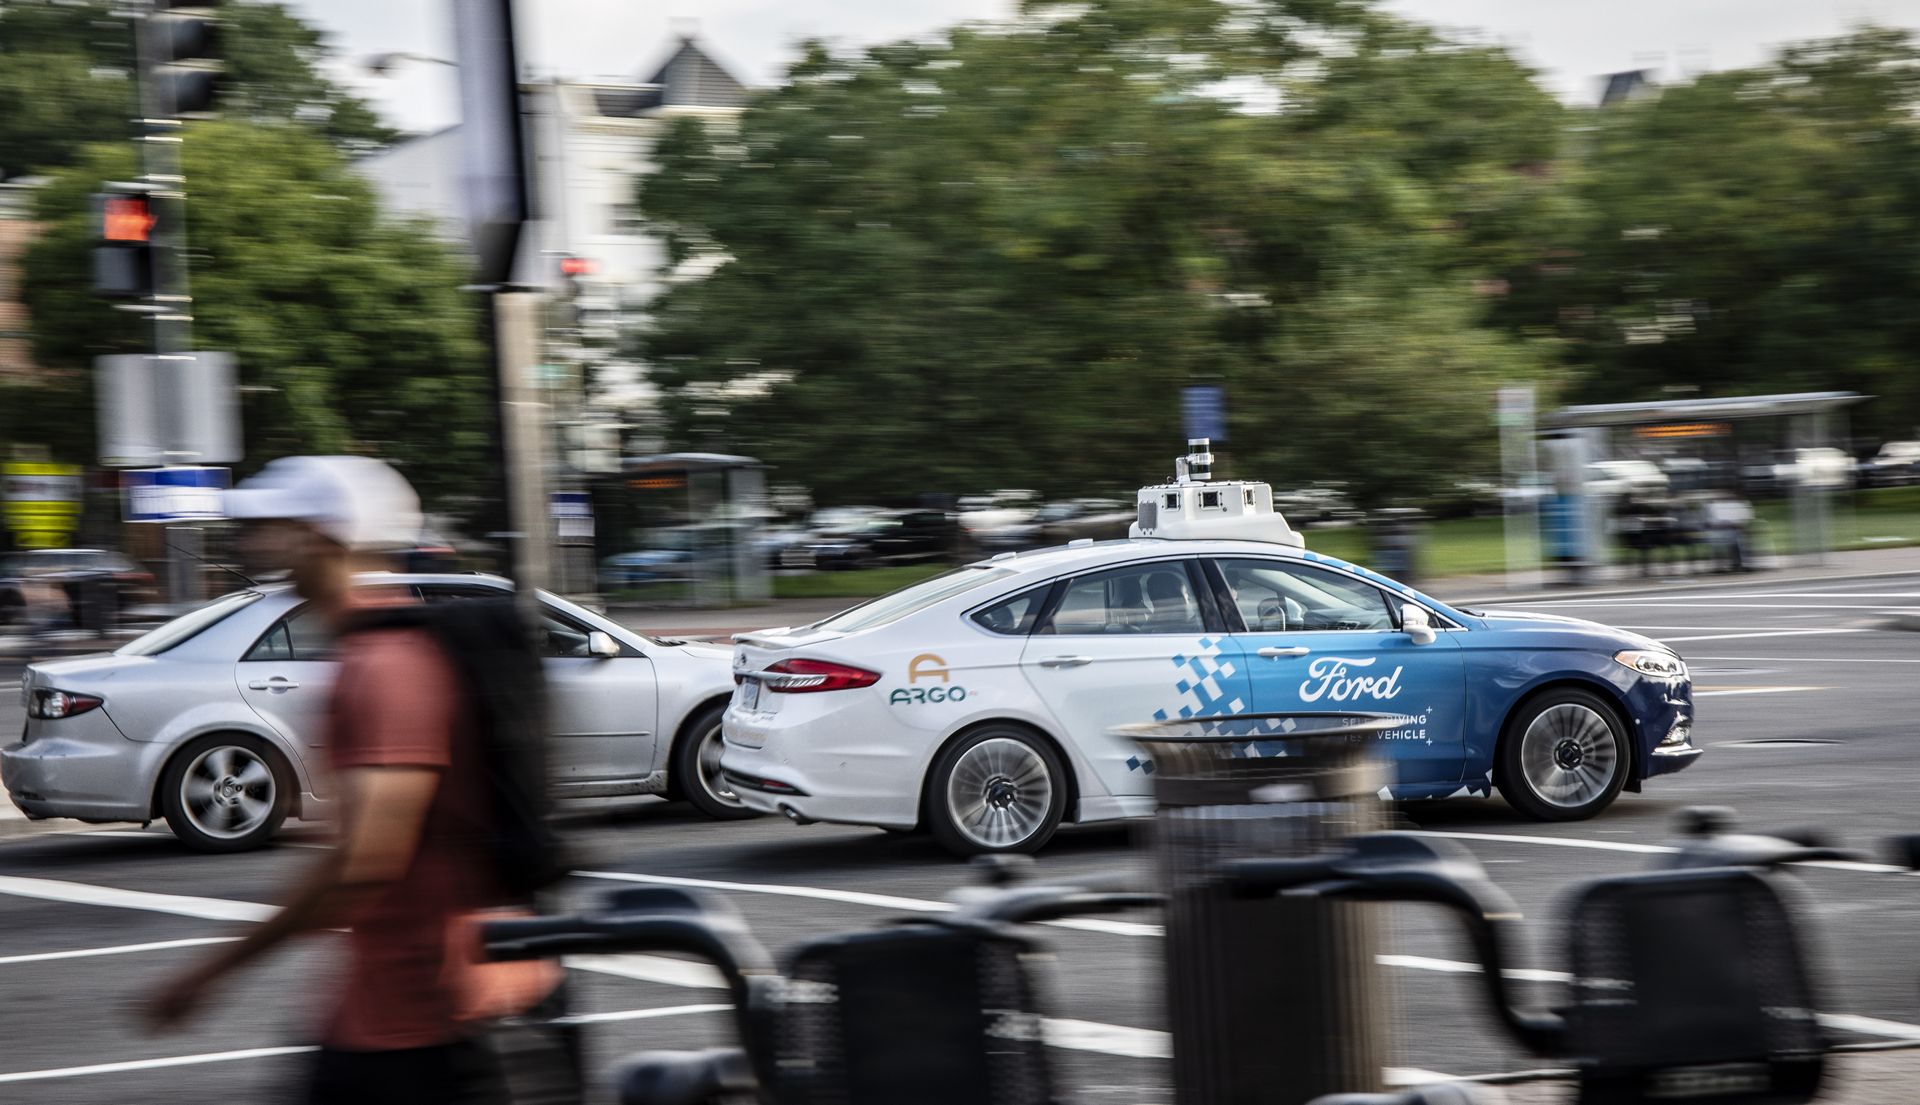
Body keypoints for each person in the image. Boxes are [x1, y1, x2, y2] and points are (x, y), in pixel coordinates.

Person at [144, 456, 554, 1105]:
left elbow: (362, 863)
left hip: (426, 1016)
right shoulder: (366, 652)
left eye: (271, 524)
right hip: (384, 1007)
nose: (251, 538)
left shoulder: (384, 667)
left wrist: (210, 971)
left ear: (321, 537)